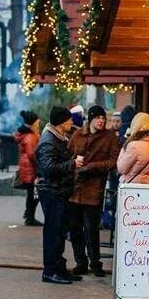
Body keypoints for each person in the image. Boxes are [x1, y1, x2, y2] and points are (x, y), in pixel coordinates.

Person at [67, 105, 119, 277]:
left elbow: (113, 161)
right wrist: (74, 163)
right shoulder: (78, 135)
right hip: (75, 188)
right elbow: (68, 156)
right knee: (74, 228)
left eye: (103, 118)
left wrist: (92, 167)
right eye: (97, 118)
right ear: (90, 119)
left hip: (94, 188)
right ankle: (80, 262)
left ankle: (95, 263)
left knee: (91, 229)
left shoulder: (109, 137)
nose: (101, 121)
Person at [36, 106, 84, 284]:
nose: (72, 122)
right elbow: (48, 168)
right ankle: (50, 270)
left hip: (58, 190)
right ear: (61, 122)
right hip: (52, 191)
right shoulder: (49, 141)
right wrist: (72, 164)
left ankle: (59, 267)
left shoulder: (58, 137)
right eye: (69, 120)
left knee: (59, 231)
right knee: (53, 232)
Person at [14, 110, 41, 226]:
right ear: (33, 123)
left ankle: (29, 215)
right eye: (37, 122)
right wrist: (39, 165)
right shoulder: (31, 136)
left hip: (25, 167)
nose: (39, 124)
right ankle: (30, 217)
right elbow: (31, 154)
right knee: (35, 193)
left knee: (31, 193)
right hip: (30, 168)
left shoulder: (24, 134)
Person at [116, 112, 149, 184]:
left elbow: (122, 168)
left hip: (132, 186)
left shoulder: (133, 145)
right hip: (148, 184)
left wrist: (125, 145)